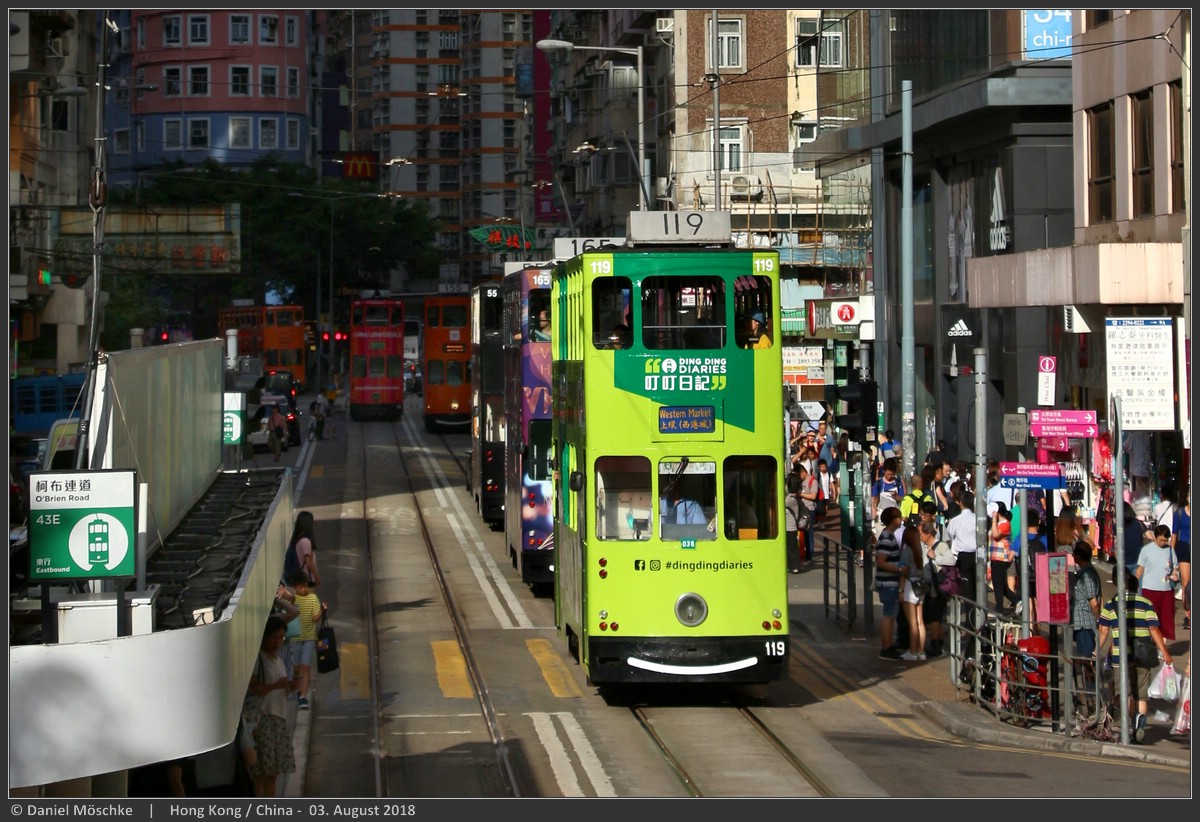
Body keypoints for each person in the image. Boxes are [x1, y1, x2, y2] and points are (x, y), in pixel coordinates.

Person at [1097, 568, 1173, 743]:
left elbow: (1103, 631)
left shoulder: (1111, 604)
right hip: (1142, 656)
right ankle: (1139, 725)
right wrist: (1165, 652)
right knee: (1141, 694)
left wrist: (1096, 652)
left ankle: (1129, 725)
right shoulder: (1145, 603)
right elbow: (1153, 628)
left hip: (1119, 657)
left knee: (1124, 693)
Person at [248, 616, 297, 797]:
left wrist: (289, 687)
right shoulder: (258, 660)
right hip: (263, 720)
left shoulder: (279, 660)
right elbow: (254, 689)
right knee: (261, 773)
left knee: (274, 773)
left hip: (279, 718)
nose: (278, 642)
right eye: (274, 637)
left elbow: (280, 691)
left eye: (281, 637)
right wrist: (277, 685)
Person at [287, 569, 324, 710]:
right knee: (296, 667)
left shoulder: (313, 599)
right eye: (300, 587)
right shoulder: (291, 598)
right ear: (295, 587)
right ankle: (297, 689)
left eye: (305, 586)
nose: (303, 589)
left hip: (309, 637)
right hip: (295, 637)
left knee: (306, 666)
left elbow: (315, 618)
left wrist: (320, 612)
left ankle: (303, 696)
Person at [1070, 541, 1102, 702]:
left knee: (1088, 660)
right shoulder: (1083, 573)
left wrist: (1098, 620)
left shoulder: (1087, 576)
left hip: (1086, 623)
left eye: (1074, 554)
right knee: (1084, 660)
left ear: (1078, 556)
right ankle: (1091, 695)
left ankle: (1093, 697)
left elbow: (1094, 602)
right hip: (1081, 622)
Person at [1136, 524, 1180, 640]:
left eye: (1166, 540)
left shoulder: (1170, 550)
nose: (1163, 543)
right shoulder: (1146, 550)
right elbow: (1140, 569)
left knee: (1166, 621)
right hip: (1149, 589)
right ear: (1155, 537)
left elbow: (1175, 567)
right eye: (1161, 540)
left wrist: (1175, 574)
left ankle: (1162, 649)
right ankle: (1152, 646)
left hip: (1166, 590)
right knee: (1151, 620)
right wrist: (1134, 584)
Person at [919, 519, 955, 658]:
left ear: (928, 534)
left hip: (938, 587)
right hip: (930, 586)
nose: (920, 536)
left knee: (934, 617)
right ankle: (938, 642)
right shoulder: (924, 546)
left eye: (921, 533)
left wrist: (936, 558)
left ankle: (936, 644)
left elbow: (951, 560)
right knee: (933, 617)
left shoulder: (940, 546)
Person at [874, 507, 906, 661]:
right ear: (893, 519)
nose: (901, 520)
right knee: (889, 615)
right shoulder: (887, 537)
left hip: (888, 582)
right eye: (899, 517)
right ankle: (886, 648)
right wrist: (898, 569)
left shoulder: (888, 536)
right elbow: (881, 562)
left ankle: (888, 645)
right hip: (888, 582)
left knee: (890, 614)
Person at [899, 525, 927, 661]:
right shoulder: (919, 548)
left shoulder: (906, 550)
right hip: (920, 585)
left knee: (912, 622)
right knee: (920, 621)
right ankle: (921, 651)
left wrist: (901, 589)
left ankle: (912, 651)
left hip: (910, 585)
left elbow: (903, 571)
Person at [988, 502, 1019, 613]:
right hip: (995, 556)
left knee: (998, 583)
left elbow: (996, 535)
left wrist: (994, 519)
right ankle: (1017, 600)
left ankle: (999, 607)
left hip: (1002, 557)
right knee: (1000, 583)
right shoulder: (995, 523)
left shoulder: (1005, 523)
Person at [1170, 493, 1190, 630]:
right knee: (1185, 584)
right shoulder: (1179, 513)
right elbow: (1174, 535)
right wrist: (1170, 554)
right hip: (1183, 548)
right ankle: (1189, 615)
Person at [871, 458, 905, 535]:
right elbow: (874, 498)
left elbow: (902, 499)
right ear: (884, 471)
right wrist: (874, 510)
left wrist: (897, 497)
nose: (890, 476)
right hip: (881, 514)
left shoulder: (898, 483)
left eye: (892, 474)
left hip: (894, 515)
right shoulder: (879, 483)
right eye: (888, 474)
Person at [289, 510, 321, 587]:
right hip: (306, 579)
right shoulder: (305, 541)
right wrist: (317, 577)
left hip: (301, 578)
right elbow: (309, 562)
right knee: (310, 599)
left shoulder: (298, 539)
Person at [797, 464, 819, 563]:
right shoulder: (800, 482)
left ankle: (810, 553)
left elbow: (813, 496)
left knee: (809, 531)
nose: (799, 477)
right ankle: (804, 551)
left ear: (804, 472)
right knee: (803, 531)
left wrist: (801, 494)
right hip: (802, 509)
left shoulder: (813, 481)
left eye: (799, 474)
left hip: (810, 509)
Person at [784, 472, 804, 574]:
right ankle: (791, 565)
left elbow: (782, 501)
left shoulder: (791, 499)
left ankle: (795, 566)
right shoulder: (793, 497)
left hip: (790, 526)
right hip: (788, 526)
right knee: (790, 548)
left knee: (792, 549)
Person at [1123, 430, 1152, 500]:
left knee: (1141, 488)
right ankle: (1147, 500)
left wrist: (1130, 452)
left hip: (1137, 467)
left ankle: (1143, 501)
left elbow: (1124, 446)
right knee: (1146, 487)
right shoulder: (1147, 436)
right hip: (1146, 467)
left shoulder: (1133, 435)